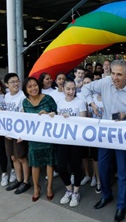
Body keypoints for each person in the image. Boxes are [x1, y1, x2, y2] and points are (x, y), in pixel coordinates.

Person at [82, 60, 126, 222]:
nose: (115, 77)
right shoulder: (105, 82)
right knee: (102, 169)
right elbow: (85, 88)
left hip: (123, 137)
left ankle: (121, 205)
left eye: (119, 74)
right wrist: (92, 104)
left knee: (123, 172)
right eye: (113, 73)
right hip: (105, 135)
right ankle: (106, 195)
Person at [51, 79, 87, 207]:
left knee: (76, 166)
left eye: (73, 89)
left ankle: (76, 192)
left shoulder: (80, 102)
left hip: (76, 139)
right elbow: (56, 118)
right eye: (68, 89)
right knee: (61, 166)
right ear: (63, 89)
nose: (71, 92)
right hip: (62, 139)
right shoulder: (59, 102)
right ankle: (68, 189)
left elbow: (84, 121)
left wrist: (70, 118)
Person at [22, 77, 57, 202]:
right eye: (29, 86)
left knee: (49, 162)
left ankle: (49, 186)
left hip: (48, 137)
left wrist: (49, 115)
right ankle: (36, 187)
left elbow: (57, 114)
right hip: (34, 138)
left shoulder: (48, 99)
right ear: (26, 89)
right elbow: (23, 120)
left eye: (35, 85)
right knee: (35, 163)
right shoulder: (25, 103)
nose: (33, 88)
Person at [3, 73, 30, 195]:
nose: (16, 84)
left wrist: (22, 134)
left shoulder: (23, 96)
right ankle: (18, 180)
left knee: (21, 157)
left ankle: (25, 181)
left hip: (19, 133)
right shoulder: (7, 96)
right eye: (12, 82)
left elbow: (24, 117)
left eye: (17, 81)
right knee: (13, 157)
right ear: (6, 85)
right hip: (9, 132)